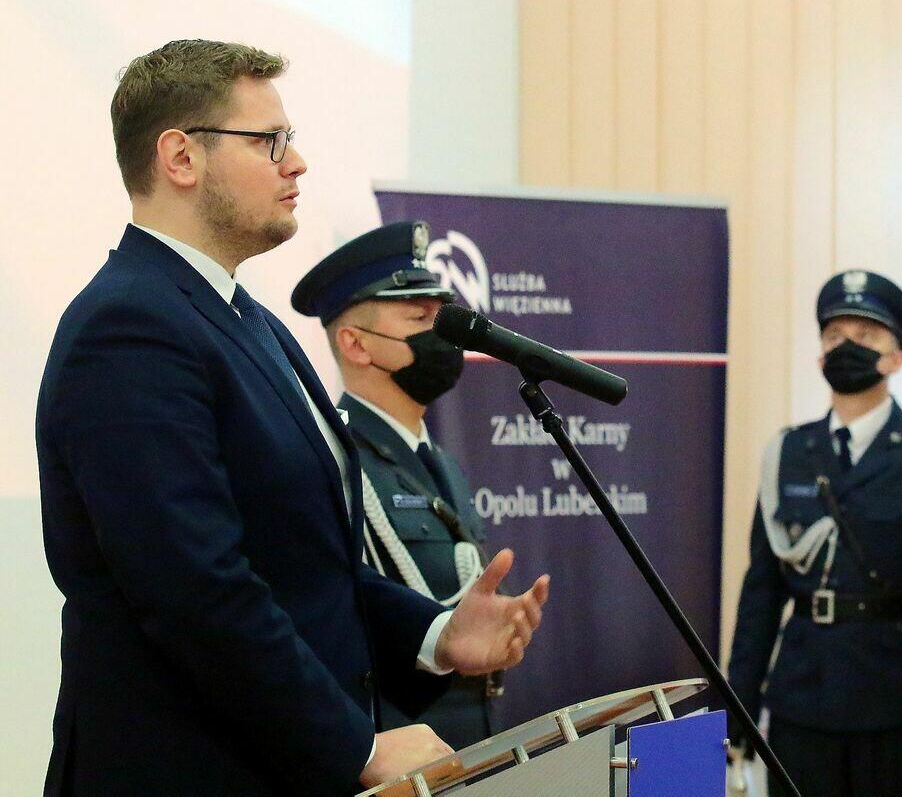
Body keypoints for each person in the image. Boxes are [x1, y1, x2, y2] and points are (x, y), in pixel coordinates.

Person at [36, 39, 548, 797]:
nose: (297, 163)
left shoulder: (249, 321)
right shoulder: (130, 328)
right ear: (181, 157)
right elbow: (195, 591)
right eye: (269, 141)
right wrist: (356, 746)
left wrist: (436, 633)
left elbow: (304, 565)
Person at [727, 270, 902, 797]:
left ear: (896, 358)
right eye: (835, 336)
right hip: (802, 695)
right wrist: (739, 701)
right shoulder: (790, 451)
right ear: (819, 357)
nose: (847, 348)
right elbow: (762, 589)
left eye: (866, 336)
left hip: (894, 697)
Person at [292, 220, 499, 748]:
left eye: (442, 316)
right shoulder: (330, 459)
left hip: (470, 743)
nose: (443, 333)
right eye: (420, 318)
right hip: (396, 745)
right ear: (356, 344)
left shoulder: (441, 465)